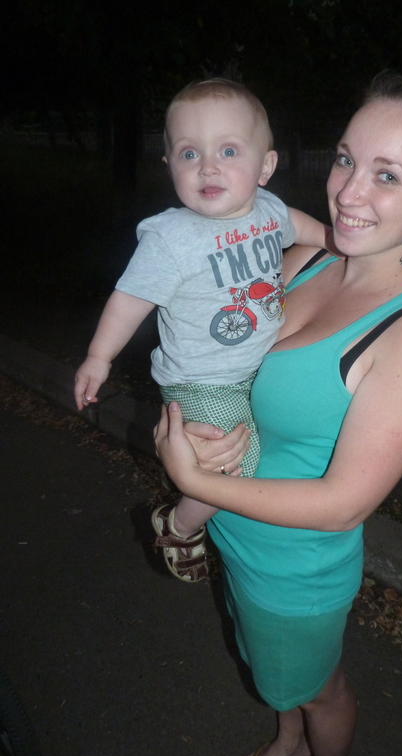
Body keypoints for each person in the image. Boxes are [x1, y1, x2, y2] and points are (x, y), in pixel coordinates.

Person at [155, 70, 402, 756]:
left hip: (291, 570)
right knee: (275, 680)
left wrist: (194, 482)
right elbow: (207, 348)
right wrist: (186, 422)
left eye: (387, 175)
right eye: (346, 159)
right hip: (235, 532)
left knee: (318, 690)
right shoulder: (309, 260)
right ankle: (286, 745)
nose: (348, 191)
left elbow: (343, 506)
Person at [74, 79, 328, 582]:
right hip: (201, 380)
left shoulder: (269, 210)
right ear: (169, 164)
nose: (207, 167)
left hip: (253, 367)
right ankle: (180, 525)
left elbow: (302, 228)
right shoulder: (171, 237)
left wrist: (340, 243)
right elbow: (130, 300)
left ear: (265, 167)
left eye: (228, 151)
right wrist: (99, 357)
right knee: (238, 461)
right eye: (189, 153)